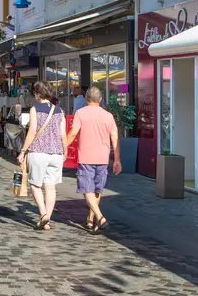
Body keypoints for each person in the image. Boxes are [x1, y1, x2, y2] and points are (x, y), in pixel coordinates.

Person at [64, 86, 121, 233]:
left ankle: (99, 217)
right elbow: (115, 137)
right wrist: (117, 159)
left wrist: (62, 147)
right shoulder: (108, 116)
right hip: (102, 157)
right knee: (97, 189)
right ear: (100, 100)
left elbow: (72, 133)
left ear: (86, 99)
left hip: (86, 157)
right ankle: (90, 218)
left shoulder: (81, 113)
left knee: (87, 189)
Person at [18, 81, 68, 231]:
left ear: (38, 94)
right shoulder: (59, 110)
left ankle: (43, 214)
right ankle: (48, 218)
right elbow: (63, 134)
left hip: (39, 152)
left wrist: (23, 151)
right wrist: (65, 151)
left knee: (35, 185)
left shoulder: (35, 109)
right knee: (51, 188)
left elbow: (32, 131)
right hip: (56, 153)